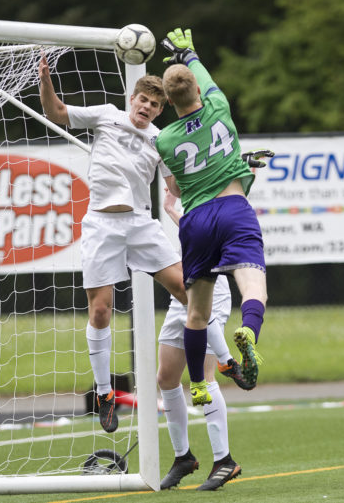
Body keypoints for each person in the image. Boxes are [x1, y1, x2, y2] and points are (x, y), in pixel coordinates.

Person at [38, 54, 249, 434]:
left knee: (189, 293)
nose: (146, 108)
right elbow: (55, 111)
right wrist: (45, 80)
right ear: (131, 99)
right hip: (102, 224)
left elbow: (179, 187)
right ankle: (104, 393)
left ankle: (225, 359)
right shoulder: (105, 114)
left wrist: (232, 171)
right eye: (142, 101)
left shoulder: (161, 140)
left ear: (160, 109)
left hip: (140, 223)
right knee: (100, 311)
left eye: (154, 105)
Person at [155, 28, 268, 407]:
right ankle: (249, 333)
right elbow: (203, 78)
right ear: (199, 92)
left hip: (197, 219)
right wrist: (188, 53)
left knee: (197, 313)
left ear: (169, 101)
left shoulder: (165, 140)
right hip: (234, 209)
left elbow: (176, 187)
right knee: (253, 288)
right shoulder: (219, 106)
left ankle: (199, 386)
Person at [157, 189, 242, 491]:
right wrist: (169, 209)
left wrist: (171, 210)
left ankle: (224, 459)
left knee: (203, 379)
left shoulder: (212, 193)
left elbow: (205, 234)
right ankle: (183, 457)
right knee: (166, 378)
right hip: (180, 293)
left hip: (207, 290)